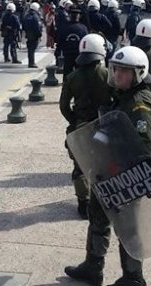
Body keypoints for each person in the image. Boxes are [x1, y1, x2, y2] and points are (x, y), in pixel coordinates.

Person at [65, 45, 151, 286]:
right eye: (115, 69)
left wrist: (111, 147)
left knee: (128, 229)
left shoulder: (140, 105)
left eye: (124, 71)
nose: (117, 75)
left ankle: (133, 278)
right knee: (97, 217)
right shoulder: (122, 97)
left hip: (126, 177)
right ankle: (93, 267)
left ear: (138, 73)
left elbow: (143, 150)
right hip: (108, 172)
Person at [59, 34, 111, 219]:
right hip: (104, 127)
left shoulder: (72, 77)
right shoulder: (108, 74)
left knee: (80, 167)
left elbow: (64, 106)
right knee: (105, 164)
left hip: (80, 126)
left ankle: (83, 203)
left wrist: (74, 120)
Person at [60, 8, 89, 77]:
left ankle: (66, 83)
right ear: (78, 16)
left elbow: (60, 40)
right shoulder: (83, 28)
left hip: (67, 53)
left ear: (70, 16)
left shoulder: (64, 27)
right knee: (79, 73)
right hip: (79, 53)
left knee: (67, 72)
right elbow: (86, 41)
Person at [23, 2, 43, 68]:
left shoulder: (26, 15)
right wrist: (39, 35)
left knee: (30, 49)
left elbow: (23, 25)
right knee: (32, 49)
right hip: (34, 35)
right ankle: (32, 63)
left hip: (28, 34)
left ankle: (30, 62)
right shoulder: (35, 16)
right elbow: (37, 27)